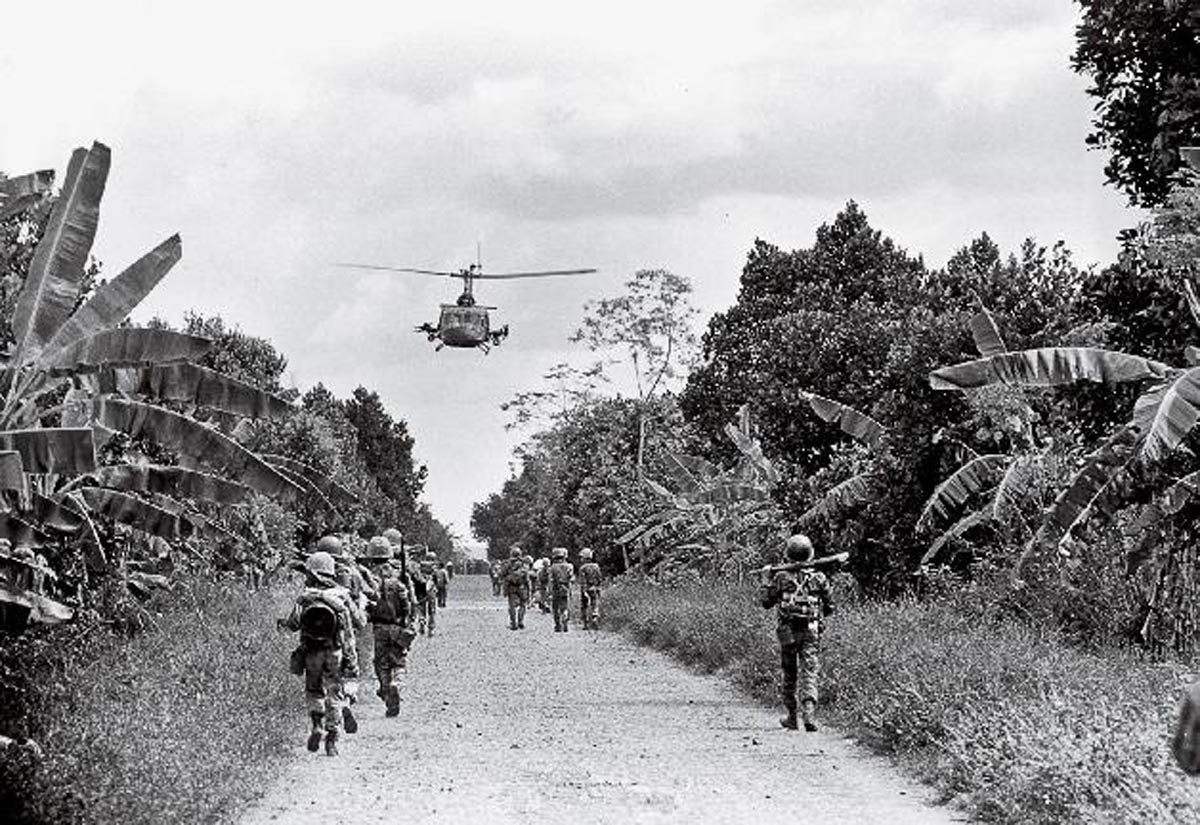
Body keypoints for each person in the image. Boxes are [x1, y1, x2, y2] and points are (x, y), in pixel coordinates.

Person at [278, 549, 359, 756]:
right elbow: (351, 631)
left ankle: (317, 725)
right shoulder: (341, 597)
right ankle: (331, 740)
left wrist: (282, 624)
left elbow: (293, 624)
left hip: (311, 652)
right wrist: (352, 662)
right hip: (335, 652)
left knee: (314, 691)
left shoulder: (305, 597)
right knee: (335, 693)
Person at [758, 534, 833, 732]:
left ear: (787, 556)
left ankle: (792, 716)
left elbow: (766, 602)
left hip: (787, 632)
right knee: (810, 671)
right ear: (811, 555)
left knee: (789, 673)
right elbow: (830, 606)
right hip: (811, 631)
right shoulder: (819, 578)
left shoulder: (781, 577)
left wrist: (766, 580)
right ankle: (809, 712)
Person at [361, 536, 413, 717]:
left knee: (381, 663)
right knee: (399, 660)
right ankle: (396, 684)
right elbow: (409, 603)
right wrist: (408, 622)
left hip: (379, 628)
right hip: (398, 626)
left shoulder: (368, 576)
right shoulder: (399, 575)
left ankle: (385, 689)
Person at [502, 547, 530, 630]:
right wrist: (529, 589)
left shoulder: (507, 563)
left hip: (511, 587)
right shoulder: (524, 563)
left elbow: (502, 573)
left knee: (512, 606)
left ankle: (513, 623)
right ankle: (520, 621)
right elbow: (527, 577)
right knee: (523, 605)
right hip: (522, 587)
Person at [547, 547, 574, 632]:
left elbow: (550, 580)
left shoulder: (552, 567)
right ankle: (565, 618)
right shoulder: (568, 566)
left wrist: (549, 592)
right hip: (565, 588)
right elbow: (571, 578)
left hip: (556, 589)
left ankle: (558, 625)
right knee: (564, 606)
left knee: (555, 608)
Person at [578, 547, 602, 630]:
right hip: (595, 588)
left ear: (585, 558)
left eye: (581, 557)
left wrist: (583, 590)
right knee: (595, 604)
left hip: (587, 588)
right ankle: (595, 617)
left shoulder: (583, 568)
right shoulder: (596, 566)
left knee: (584, 606)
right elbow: (599, 578)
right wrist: (598, 586)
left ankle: (585, 624)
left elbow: (582, 580)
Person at [418, 551, 439, 635]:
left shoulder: (421, 566)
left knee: (422, 609)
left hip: (421, 589)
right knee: (432, 610)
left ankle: (422, 624)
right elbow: (436, 578)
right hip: (431, 589)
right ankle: (431, 629)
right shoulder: (434, 566)